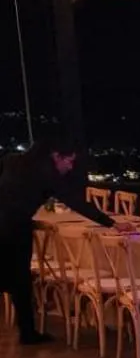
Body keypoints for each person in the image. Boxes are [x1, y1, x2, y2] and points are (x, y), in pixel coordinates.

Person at [0, 135, 117, 345]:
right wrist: (110, 222)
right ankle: (27, 333)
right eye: (69, 161)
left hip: (7, 224)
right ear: (56, 156)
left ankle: (27, 332)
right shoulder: (48, 175)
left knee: (15, 279)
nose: (71, 167)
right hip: (14, 228)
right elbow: (76, 202)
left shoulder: (11, 160)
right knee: (19, 280)